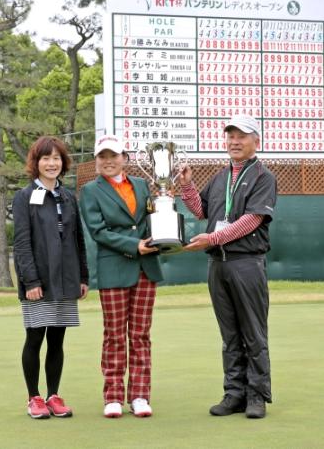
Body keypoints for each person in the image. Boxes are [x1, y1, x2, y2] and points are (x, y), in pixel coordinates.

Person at [179, 115, 277, 419]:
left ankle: (256, 395)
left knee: (253, 333)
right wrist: (187, 186)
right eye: (230, 136)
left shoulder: (263, 176)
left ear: (255, 142)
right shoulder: (221, 177)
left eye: (242, 136)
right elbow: (200, 210)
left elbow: (252, 221)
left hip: (246, 263)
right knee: (230, 335)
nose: (234, 142)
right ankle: (234, 394)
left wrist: (213, 237)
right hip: (218, 265)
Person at [79, 134, 163, 418]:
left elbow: (151, 218)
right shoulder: (90, 191)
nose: (108, 161)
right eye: (102, 157)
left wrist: (165, 207)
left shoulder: (141, 185)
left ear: (124, 158)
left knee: (140, 335)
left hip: (145, 268)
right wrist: (134, 245)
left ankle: (140, 395)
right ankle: (113, 395)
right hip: (114, 267)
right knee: (114, 335)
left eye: (113, 156)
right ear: (96, 161)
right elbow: (98, 231)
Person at [13, 136, 89, 419]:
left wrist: (82, 276)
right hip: (39, 281)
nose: (51, 163)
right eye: (46, 158)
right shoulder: (24, 197)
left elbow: (78, 239)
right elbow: (21, 243)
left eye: (56, 158)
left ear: (63, 163)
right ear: (36, 162)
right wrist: (31, 281)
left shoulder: (68, 196)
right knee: (34, 339)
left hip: (66, 280)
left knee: (57, 340)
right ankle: (33, 398)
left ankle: (53, 396)